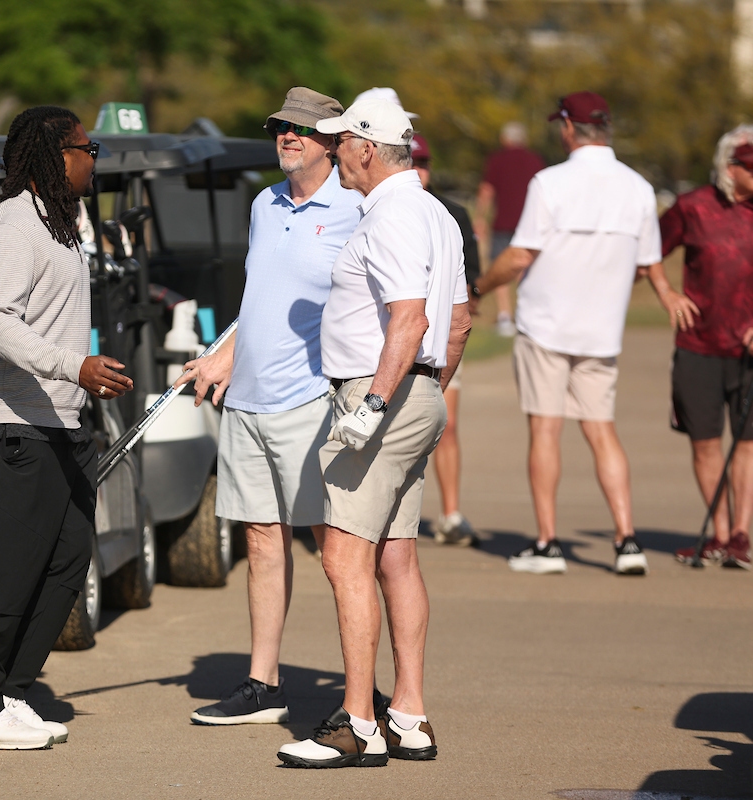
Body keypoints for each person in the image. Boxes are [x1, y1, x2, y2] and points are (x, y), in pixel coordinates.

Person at [277, 97, 471, 768]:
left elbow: (411, 318)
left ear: (365, 147)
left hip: (378, 394)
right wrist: (425, 394)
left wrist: (378, 402)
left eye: (340, 142)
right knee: (396, 557)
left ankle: (358, 723)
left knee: (344, 557)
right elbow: (460, 322)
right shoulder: (436, 213)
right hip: (417, 393)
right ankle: (408, 716)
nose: (334, 152)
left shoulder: (391, 214)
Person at [0, 106, 133, 750]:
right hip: (8, 422)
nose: (94, 159)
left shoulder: (61, 222)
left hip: (59, 417)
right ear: (57, 155)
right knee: (15, 565)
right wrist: (72, 366)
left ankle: (8, 692)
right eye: (88, 148)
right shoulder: (12, 224)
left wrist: (76, 378)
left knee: (68, 557)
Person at [178, 87, 363, 726]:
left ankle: (361, 696)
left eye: (301, 129)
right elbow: (260, 298)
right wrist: (224, 353)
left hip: (311, 401)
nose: (287, 135)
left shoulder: (356, 207)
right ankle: (264, 683)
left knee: (336, 549)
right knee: (261, 540)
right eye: (281, 126)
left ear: (333, 142)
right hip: (247, 404)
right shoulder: (264, 203)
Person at [476, 92, 658, 576]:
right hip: (601, 331)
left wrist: (478, 288)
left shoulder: (549, 181)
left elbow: (520, 255)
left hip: (546, 325)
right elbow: (645, 266)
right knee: (602, 431)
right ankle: (627, 540)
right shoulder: (639, 188)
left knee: (546, 429)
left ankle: (548, 543)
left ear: (570, 129)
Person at [651, 125, 753, 570]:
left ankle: (741, 537)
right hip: (698, 345)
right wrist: (667, 293)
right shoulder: (692, 207)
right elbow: (649, 251)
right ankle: (721, 534)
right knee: (705, 443)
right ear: (730, 168)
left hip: (748, 352)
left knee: (747, 443)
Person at [412, 133, 481, 547]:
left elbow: (471, 286)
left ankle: (451, 513)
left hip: (441, 337)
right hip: (390, 339)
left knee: (444, 423)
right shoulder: (374, 209)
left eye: (423, 163)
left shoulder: (452, 213)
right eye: (411, 162)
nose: (418, 170)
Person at [475, 122, 545, 337]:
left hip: (503, 223)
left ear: (505, 139)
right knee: (525, 269)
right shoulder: (536, 160)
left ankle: (505, 316)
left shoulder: (497, 160)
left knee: (500, 268)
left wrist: (480, 217)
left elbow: (487, 190)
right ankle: (524, 313)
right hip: (530, 224)